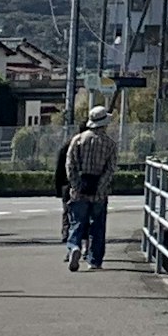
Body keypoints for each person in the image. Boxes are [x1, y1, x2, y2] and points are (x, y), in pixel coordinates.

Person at [59, 106, 118, 272]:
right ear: (104, 123)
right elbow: (110, 169)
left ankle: (74, 247)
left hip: (80, 189)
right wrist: (100, 187)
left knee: (76, 222)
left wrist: (76, 184)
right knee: (97, 226)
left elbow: (69, 164)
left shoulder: (78, 140)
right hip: (99, 191)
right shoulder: (110, 144)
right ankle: (94, 260)